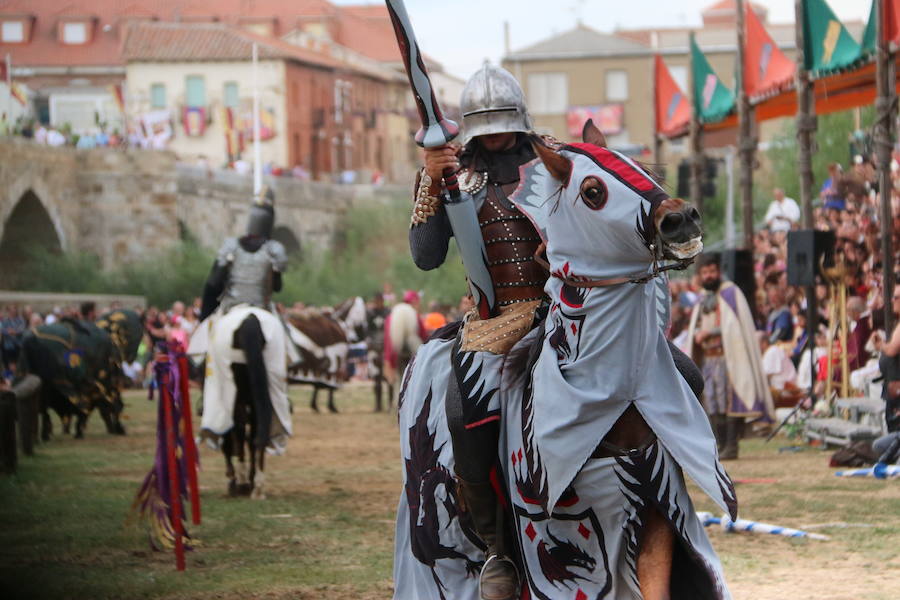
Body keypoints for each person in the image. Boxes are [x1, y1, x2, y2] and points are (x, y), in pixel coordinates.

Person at [411, 63, 543, 599]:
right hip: (496, 323)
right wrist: (432, 179)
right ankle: (497, 549)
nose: (495, 136)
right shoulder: (456, 172)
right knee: (465, 410)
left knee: (679, 375)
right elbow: (425, 259)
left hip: (566, 309)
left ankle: (662, 500)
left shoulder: (554, 161)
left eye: (501, 124)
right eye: (484, 127)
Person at [686, 253, 774, 460]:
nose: (708, 276)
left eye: (712, 271)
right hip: (708, 358)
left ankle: (732, 445)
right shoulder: (702, 298)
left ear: (718, 271)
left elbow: (733, 326)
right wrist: (698, 334)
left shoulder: (730, 293)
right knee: (713, 401)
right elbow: (698, 324)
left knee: (729, 400)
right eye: (705, 272)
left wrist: (711, 332)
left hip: (729, 358)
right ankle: (720, 443)